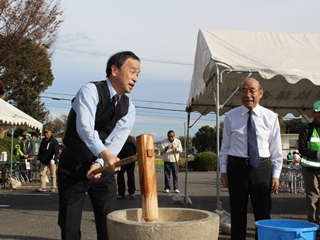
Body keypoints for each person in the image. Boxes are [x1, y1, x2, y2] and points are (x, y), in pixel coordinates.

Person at [57, 51, 140, 240]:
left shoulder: (129, 108)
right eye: (133, 72)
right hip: (73, 166)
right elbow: (84, 128)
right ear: (114, 70)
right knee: (69, 225)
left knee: (108, 223)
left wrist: (101, 162)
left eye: (138, 74)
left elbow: (116, 141)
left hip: (103, 170)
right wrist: (102, 155)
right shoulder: (90, 90)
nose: (135, 78)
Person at [219, 77, 283, 240]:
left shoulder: (270, 117)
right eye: (244, 90)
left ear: (260, 93)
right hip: (237, 169)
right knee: (237, 213)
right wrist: (224, 170)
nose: (248, 94)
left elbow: (276, 148)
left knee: (262, 213)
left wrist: (276, 174)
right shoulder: (231, 116)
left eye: (252, 90)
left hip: (261, 168)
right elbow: (225, 147)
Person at [299, 100, 320, 237]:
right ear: (313, 113)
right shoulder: (306, 129)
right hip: (311, 170)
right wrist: (316, 154)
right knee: (312, 199)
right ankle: (314, 227)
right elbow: (302, 149)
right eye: (318, 112)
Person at [36, 128, 59, 192]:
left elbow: (56, 151)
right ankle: (42, 186)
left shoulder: (54, 141)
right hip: (44, 160)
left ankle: (53, 186)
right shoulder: (43, 141)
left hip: (51, 160)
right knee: (42, 173)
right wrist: (38, 159)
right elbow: (40, 151)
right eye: (45, 133)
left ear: (50, 133)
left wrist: (53, 159)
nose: (46, 134)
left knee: (53, 174)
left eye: (47, 133)